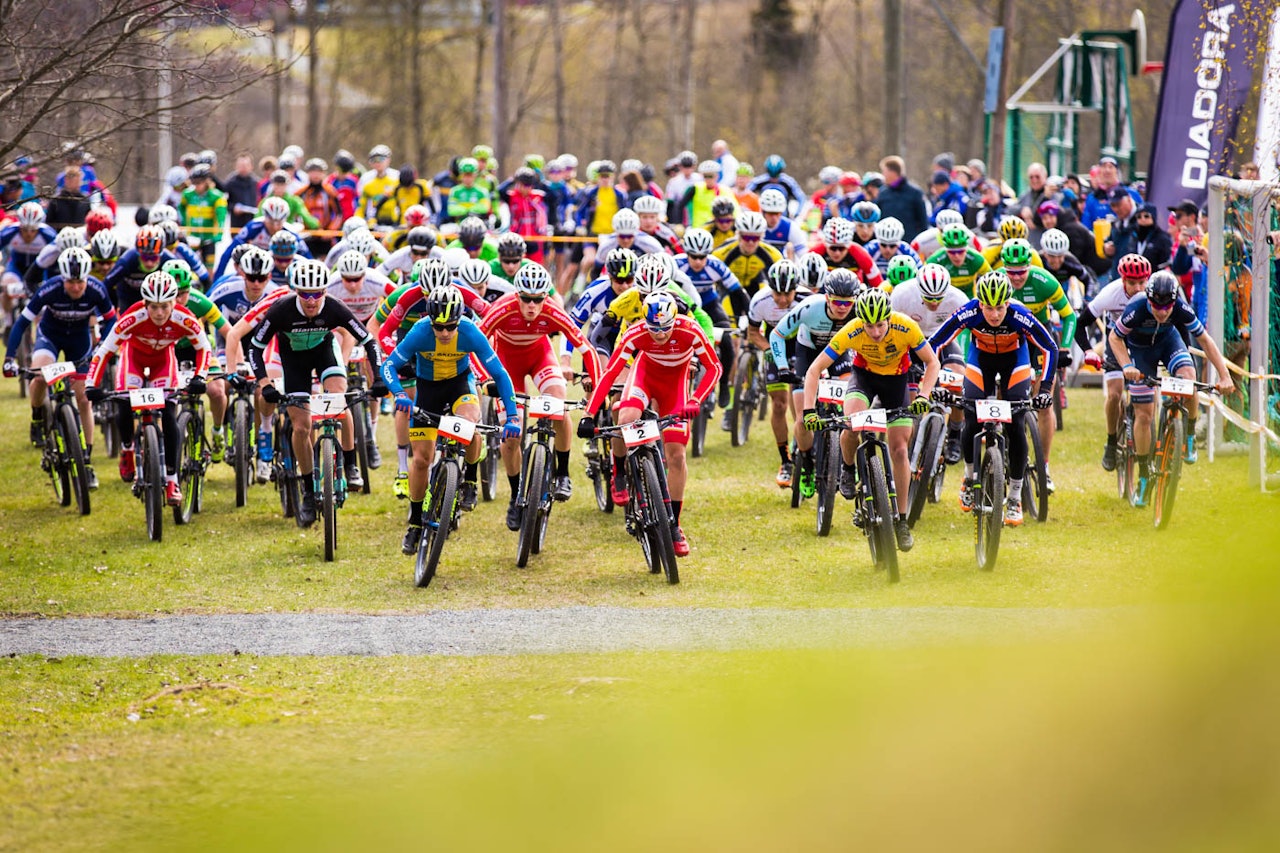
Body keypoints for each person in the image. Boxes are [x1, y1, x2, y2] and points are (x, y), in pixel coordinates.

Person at [577, 291, 722, 557]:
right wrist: (589, 413)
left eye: (665, 328)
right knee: (625, 418)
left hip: (675, 386)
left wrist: (696, 400)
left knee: (676, 456)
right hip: (645, 376)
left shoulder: (690, 330)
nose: (659, 335)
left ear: (675, 319)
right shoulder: (636, 333)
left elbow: (714, 368)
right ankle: (621, 471)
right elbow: (610, 375)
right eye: (654, 329)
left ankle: (675, 525)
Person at [382, 284, 520, 553]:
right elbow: (389, 365)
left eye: (451, 326)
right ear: (430, 321)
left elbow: (500, 374)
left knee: (470, 425)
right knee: (421, 460)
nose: (444, 332)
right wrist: (399, 394)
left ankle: (469, 480)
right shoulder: (420, 331)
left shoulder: (469, 330)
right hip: (428, 389)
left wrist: (512, 417)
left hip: (460, 384)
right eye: (439, 327)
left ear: (459, 320)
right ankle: (415, 522)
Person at [247, 260, 387, 526]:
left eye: (317, 294)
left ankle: (350, 463)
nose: (311, 301)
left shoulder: (334, 306)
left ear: (325, 291)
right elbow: (255, 348)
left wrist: (378, 377)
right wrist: (265, 383)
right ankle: (309, 491)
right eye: (304, 294)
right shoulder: (281, 310)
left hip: (325, 353)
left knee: (338, 401)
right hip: (294, 361)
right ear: (296, 291)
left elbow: (369, 341)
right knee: (302, 427)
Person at [799, 287, 938, 550]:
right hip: (864, 378)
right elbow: (814, 369)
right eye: (869, 326)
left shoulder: (906, 327)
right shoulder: (851, 330)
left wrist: (923, 395)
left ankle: (901, 521)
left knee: (899, 449)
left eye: (880, 325)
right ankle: (848, 470)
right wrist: (808, 411)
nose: (874, 332)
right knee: (851, 424)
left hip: (898, 382)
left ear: (890, 318)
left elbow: (932, 363)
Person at [928, 271, 1059, 525]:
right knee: (972, 417)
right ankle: (968, 478)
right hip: (981, 361)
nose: (995, 315)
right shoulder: (969, 312)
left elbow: (1050, 347)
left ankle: (1014, 497)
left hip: (1016, 361)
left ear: (1008, 304)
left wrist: (1044, 390)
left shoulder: (1020, 315)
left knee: (1016, 424)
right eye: (988, 308)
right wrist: (933, 384)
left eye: (1000, 308)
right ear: (980, 304)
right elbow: (935, 343)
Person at [478, 264, 602, 528]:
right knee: (512, 434)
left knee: (559, 404)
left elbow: (588, 349)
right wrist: (485, 377)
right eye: (526, 298)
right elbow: (475, 343)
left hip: (539, 358)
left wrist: (596, 383)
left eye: (538, 299)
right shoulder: (501, 308)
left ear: (546, 297)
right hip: (505, 367)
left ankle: (562, 472)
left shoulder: (552, 311)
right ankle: (515, 496)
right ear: (517, 295)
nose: (532, 305)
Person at [84, 271, 211, 504]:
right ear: (145, 303)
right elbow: (105, 351)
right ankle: (127, 449)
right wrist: (92, 384)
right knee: (124, 403)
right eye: (153, 307)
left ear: (174, 302)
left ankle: (171, 479)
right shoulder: (134, 316)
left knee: (169, 414)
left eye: (165, 306)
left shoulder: (185, 317)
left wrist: (200, 377)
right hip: (134, 358)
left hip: (163, 362)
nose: (160, 313)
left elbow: (203, 346)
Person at [1109, 270, 1235, 503]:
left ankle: (1188, 435)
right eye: (1157, 307)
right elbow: (1114, 338)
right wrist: (1126, 365)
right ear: (1148, 300)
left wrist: (1225, 376)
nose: (1162, 312)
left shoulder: (1180, 308)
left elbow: (1205, 341)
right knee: (1144, 415)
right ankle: (1145, 476)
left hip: (1169, 343)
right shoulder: (1135, 309)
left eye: (1167, 307)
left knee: (1189, 379)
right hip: (1140, 351)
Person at [4, 248, 115, 488]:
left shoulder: (97, 289)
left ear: (87, 278)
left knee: (84, 398)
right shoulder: (49, 289)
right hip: (50, 338)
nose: (76, 287)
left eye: (80, 282)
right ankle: (37, 416)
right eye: (70, 282)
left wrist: (103, 348)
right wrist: (9, 357)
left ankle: (86, 460)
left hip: (79, 341)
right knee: (39, 377)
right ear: (62, 278)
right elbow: (22, 322)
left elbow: (111, 322)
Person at [769, 268, 862, 499]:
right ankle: (807, 463)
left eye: (848, 303)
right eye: (837, 301)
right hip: (807, 353)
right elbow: (776, 334)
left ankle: (842, 457)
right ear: (827, 297)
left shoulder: (860, 311)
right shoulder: (810, 307)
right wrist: (782, 366)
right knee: (802, 418)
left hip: (840, 353)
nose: (842, 307)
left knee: (849, 403)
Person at [1000, 238, 1077, 490]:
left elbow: (1068, 316)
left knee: (1044, 403)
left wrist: (1064, 346)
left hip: (1039, 340)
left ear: (1029, 266)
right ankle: (1002, 453)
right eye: (1011, 272)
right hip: (1009, 341)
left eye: (1022, 271)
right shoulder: (995, 280)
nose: (1017, 277)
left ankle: (1043, 465)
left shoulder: (1044, 281)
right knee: (1003, 396)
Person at [1071, 253, 1150, 472]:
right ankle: (1112, 440)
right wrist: (1088, 351)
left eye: (1142, 283)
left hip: (1144, 341)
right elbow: (1080, 324)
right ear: (1122, 280)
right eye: (1131, 283)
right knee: (1114, 393)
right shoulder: (1110, 294)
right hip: (1116, 340)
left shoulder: (1153, 292)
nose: (1137, 288)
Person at [745, 259, 810, 487]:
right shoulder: (760, 301)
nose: (782, 300)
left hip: (801, 346)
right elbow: (753, 332)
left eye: (788, 294)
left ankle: (803, 446)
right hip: (775, 344)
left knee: (801, 405)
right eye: (777, 294)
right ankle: (786, 461)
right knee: (780, 405)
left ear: (796, 289)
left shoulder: (807, 300)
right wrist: (769, 351)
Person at [179, 163, 228, 269]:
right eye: (194, 183)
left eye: (199, 183)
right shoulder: (187, 194)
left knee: (209, 267)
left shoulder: (217, 196)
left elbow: (221, 217)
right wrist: (184, 223)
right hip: (193, 235)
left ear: (207, 181)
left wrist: (218, 233)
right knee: (189, 265)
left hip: (209, 237)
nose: (196, 186)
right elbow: (181, 208)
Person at [875, 156, 930, 241]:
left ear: (893, 172)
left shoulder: (915, 193)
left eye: (884, 171)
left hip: (909, 242)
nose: (883, 175)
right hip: (887, 245)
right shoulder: (883, 193)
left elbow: (923, 222)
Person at [225, 152, 260, 230]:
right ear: (236, 166)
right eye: (241, 166)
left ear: (251, 166)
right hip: (236, 224)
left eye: (246, 165)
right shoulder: (230, 183)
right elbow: (224, 202)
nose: (244, 168)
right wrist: (233, 207)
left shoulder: (256, 183)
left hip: (253, 221)